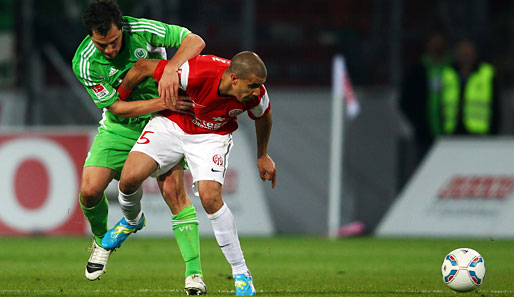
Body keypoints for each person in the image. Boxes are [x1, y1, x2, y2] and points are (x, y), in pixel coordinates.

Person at [102, 51, 276, 296]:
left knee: (210, 198)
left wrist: (262, 155)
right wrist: (120, 100)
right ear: (234, 79)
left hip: (211, 136)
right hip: (172, 124)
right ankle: (132, 220)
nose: (258, 91)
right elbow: (143, 66)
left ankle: (240, 272)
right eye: (253, 85)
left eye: (260, 86)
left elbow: (264, 117)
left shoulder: (256, 96)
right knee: (129, 179)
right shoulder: (196, 71)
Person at [71, 0, 207, 294]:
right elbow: (118, 107)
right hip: (122, 126)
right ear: (91, 37)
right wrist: (162, 101)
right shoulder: (83, 62)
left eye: (114, 41)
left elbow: (194, 40)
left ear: (122, 27)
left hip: (163, 121)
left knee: (173, 191)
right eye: (101, 44)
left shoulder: (142, 29)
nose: (109, 49)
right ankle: (102, 239)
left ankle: (194, 274)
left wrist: (171, 68)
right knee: (89, 191)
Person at [400, 28, 452, 163]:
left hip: (452, 134)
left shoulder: (453, 69)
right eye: (434, 43)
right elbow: (405, 101)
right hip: (425, 135)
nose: (437, 46)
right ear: (427, 45)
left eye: (440, 43)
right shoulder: (417, 71)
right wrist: (418, 122)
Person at [439, 39, 500, 136]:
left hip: (480, 132)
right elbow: (439, 104)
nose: (465, 57)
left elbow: (496, 106)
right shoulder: (447, 73)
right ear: (456, 55)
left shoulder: (486, 73)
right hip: (452, 132)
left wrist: (494, 133)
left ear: (475, 54)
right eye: (462, 53)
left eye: (468, 53)